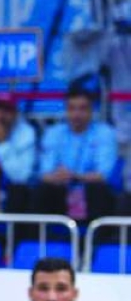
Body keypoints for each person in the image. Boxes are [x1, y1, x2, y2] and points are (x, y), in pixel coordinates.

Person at [36, 86, 120, 224]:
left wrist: (75, 176)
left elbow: (104, 175)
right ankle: (41, 242)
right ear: (66, 110)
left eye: (82, 108)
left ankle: (97, 243)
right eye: (72, 108)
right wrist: (56, 176)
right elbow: (44, 173)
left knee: (98, 189)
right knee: (44, 189)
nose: (77, 114)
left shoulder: (105, 133)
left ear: (91, 110)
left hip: (93, 195)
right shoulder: (54, 133)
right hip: (61, 192)